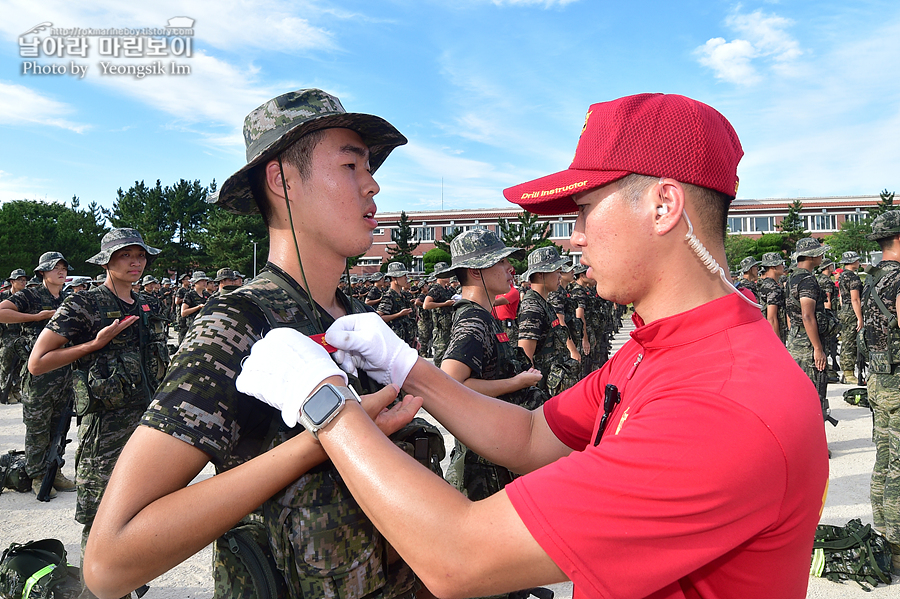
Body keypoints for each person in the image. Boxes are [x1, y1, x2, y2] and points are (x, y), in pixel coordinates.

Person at [240, 93, 829, 599]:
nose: (573, 238)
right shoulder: (667, 346)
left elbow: (458, 555)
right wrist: (408, 367)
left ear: (663, 206)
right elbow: (531, 436)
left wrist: (329, 408)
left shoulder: (723, 403)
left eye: (585, 209)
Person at [82, 88, 428, 599]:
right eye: (351, 166)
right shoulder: (240, 322)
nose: (372, 185)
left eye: (369, 169)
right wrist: (323, 440)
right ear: (283, 179)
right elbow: (111, 560)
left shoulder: (355, 322)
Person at [28, 229, 170, 580]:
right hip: (103, 430)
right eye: (126, 255)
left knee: (137, 509)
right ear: (106, 261)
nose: (135, 261)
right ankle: (97, 586)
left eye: (140, 255)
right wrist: (93, 344)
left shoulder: (148, 305)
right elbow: (38, 361)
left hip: (147, 424)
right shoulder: (84, 304)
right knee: (99, 515)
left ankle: (122, 580)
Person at [435, 229, 543, 504]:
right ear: (475, 270)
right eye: (500, 261)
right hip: (483, 469)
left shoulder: (485, 315)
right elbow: (451, 382)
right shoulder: (473, 319)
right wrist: (516, 383)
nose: (511, 268)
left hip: (497, 454)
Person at [0, 252, 76, 498]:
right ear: (42, 272)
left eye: (64, 268)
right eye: (56, 268)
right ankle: (37, 475)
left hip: (65, 374)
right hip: (39, 376)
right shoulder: (30, 295)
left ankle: (55, 471)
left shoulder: (67, 298)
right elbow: (2, 312)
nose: (61, 272)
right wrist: (35, 317)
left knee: (59, 424)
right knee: (37, 426)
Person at [861, 211, 900, 572]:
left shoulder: (873, 277)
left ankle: (884, 533)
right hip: (899, 382)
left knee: (885, 462)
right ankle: (899, 550)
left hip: (877, 379)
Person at [517, 247, 581, 395]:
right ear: (540, 274)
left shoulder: (544, 304)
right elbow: (526, 359)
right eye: (557, 272)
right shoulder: (532, 308)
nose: (560, 276)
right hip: (543, 392)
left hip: (553, 386)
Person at [785, 238, 830, 387]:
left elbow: (790, 312)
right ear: (811, 256)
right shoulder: (807, 280)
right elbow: (807, 315)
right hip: (808, 343)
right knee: (814, 390)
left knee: (798, 390)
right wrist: (818, 349)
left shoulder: (792, 278)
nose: (821, 257)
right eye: (819, 253)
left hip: (795, 339)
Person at [0, 269, 28, 405]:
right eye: (20, 280)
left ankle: (16, 390)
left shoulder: (26, 297)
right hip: (7, 335)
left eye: (24, 280)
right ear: (12, 282)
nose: (24, 282)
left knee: (20, 365)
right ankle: (6, 391)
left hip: (22, 334)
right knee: (6, 364)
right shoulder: (3, 296)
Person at [837, 251, 864, 384]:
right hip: (852, 310)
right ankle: (849, 374)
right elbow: (855, 299)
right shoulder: (853, 277)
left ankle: (846, 372)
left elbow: (842, 296)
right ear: (853, 261)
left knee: (846, 341)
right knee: (851, 342)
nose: (858, 262)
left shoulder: (842, 276)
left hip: (845, 309)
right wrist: (860, 317)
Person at [377, 263, 416, 348]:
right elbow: (379, 318)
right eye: (403, 275)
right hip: (395, 342)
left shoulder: (403, 295)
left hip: (406, 339)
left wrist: (414, 338)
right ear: (394, 278)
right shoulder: (389, 296)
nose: (406, 278)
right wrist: (399, 314)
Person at [423, 263, 455, 366]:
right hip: (441, 329)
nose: (449, 276)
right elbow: (426, 304)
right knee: (440, 356)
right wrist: (444, 304)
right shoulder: (435, 289)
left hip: (449, 326)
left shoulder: (447, 289)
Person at [757, 252, 787, 343]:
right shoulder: (772, 287)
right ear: (773, 267)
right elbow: (772, 318)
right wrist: (777, 343)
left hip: (764, 332)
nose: (783, 266)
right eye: (781, 264)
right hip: (772, 335)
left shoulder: (764, 284)